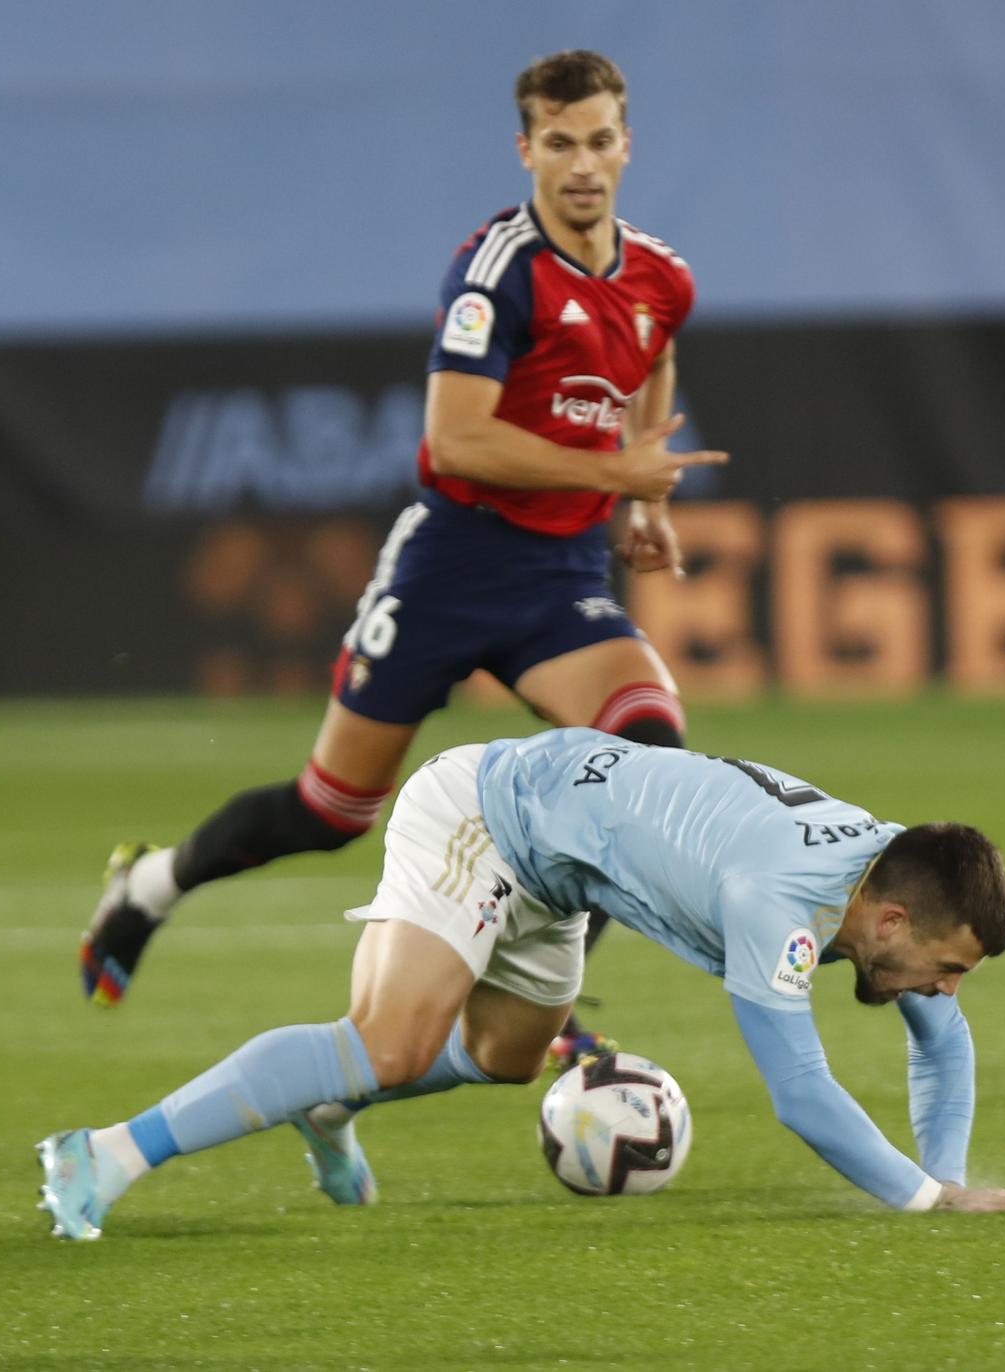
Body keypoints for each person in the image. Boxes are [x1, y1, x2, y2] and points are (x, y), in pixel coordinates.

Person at [80, 51, 727, 1059]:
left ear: (625, 144)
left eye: (599, 140)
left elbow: (653, 355)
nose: (582, 164)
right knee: (328, 810)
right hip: (451, 566)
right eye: (558, 143)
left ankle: (536, 999)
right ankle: (150, 883)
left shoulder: (661, 276)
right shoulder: (496, 270)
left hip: (557, 582)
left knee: (642, 764)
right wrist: (612, 477)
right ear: (525, 151)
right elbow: (456, 438)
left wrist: (639, 497)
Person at [36, 729, 1005, 1237]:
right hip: (485, 809)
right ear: (889, 923)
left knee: (505, 1054)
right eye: (948, 967)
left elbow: (939, 1036)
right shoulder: (775, 903)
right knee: (385, 1038)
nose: (947, 989)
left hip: (561, 864)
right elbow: (799, 1094)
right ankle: (105, 1156)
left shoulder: (887, 870)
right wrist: (928, 1202)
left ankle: (327, 1101)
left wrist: (953, 1176)